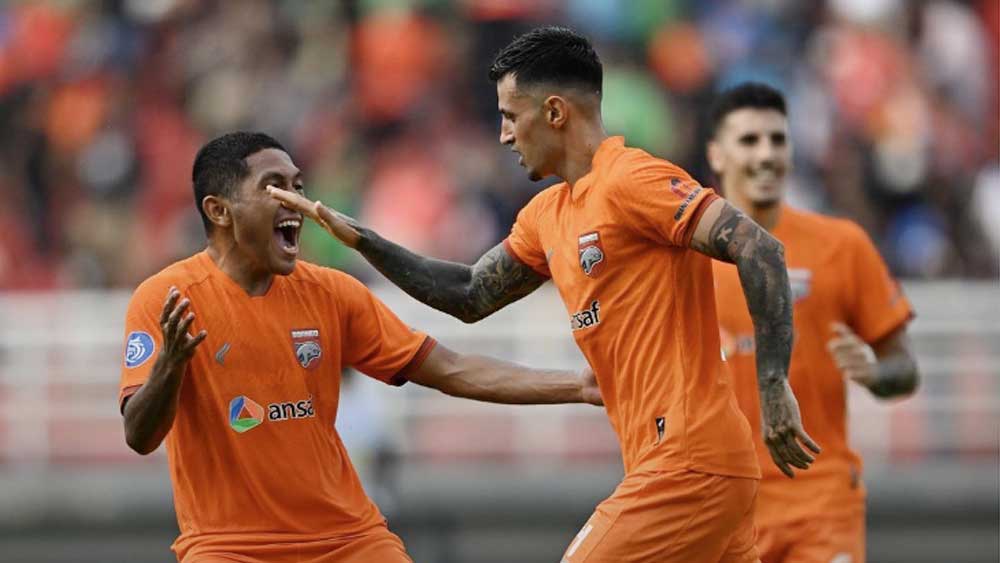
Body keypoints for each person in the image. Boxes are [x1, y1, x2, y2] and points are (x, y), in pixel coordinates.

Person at [271, 27, 819, 563]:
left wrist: (773, 387)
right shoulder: (546, 216)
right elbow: (468, 293)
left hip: (688, 462)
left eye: (511, 116)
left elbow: (758, 248)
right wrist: (364, 240)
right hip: (685, 467)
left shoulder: (631, 179)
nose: (504, 136)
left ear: (554, 112)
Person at [118, 131, 603, 563]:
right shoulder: (165, 299)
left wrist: (577, 386)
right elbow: (140, 436)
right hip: (228, 548)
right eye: (274, 186)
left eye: (298, 186)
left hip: (347, 539)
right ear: (219, 210)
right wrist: (169, 367)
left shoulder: (331, 292)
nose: (296, 201)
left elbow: (451, 369)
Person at [706, 83, 920, 563]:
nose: (766, 155)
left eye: (778, 140)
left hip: (822, 498)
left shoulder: (841, 244)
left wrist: (875, 373)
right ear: (716, 154)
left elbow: (904, 368)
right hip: (724, 506)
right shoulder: (684, 259)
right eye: (749, 141)